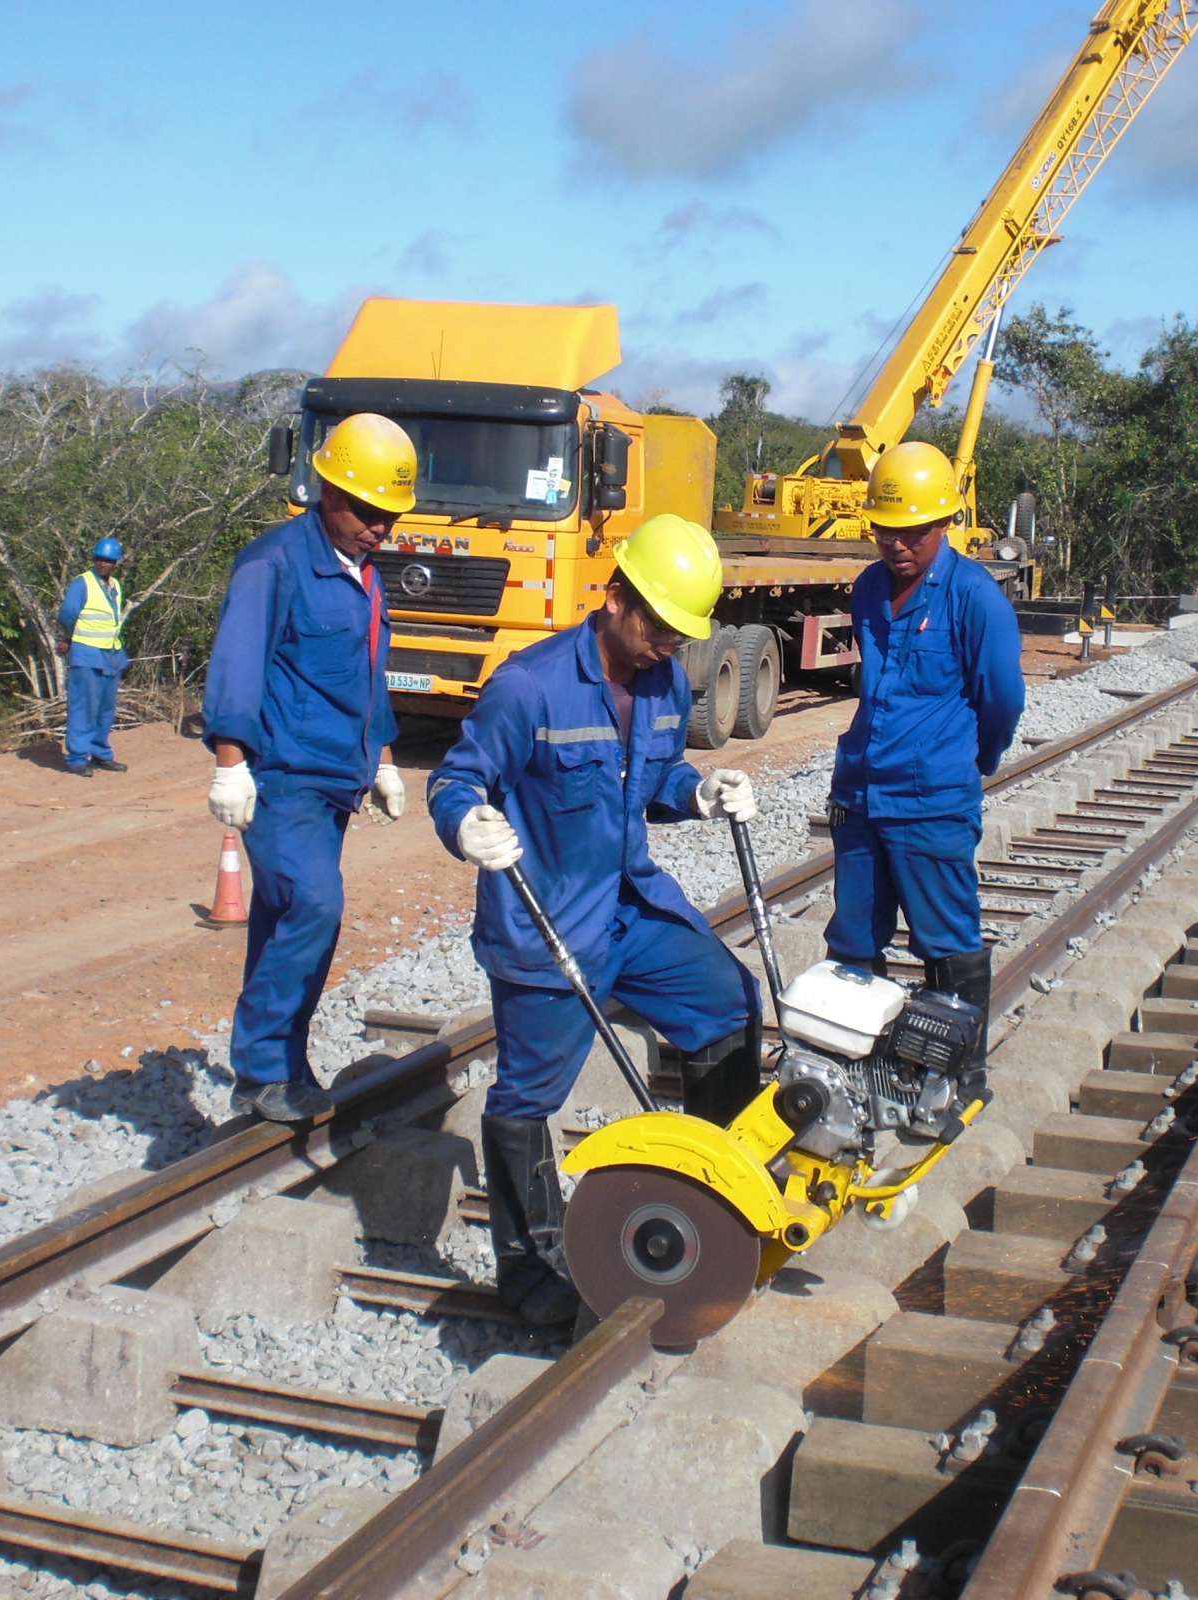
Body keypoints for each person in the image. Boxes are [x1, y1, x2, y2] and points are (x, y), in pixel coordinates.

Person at [428, 513, 763, 1326]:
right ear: (615, 597)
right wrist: (466, 824)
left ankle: (719, 1195)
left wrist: (698, 792)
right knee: (526, 1097)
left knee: (730, 998)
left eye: (681, 634)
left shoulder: (665, 684)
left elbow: (659, 775)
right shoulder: (528, 686)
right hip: (547, 923)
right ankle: (531, 1264)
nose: (666, 645)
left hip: (629, 909)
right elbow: (456, 780)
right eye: (658, 625)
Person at [202, 413, 416, 1126]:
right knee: (315, 906)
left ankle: (283, 1065)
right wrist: (231, 763)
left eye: (388, 515)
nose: (378, 526)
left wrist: (382, 758)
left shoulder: (365, 575)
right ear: (326, 489)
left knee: (284, 919)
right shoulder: (276, 563)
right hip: (282, 778)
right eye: (366, 510)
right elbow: (237, 662)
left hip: (336, 783)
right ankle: (261, 1069)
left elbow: (367, 675)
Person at [826, 441, 1025, 1055]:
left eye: (912, 532)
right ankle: (862, 1067)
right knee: (853, 939)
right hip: (860, 793)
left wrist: (968, 766)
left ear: (943, 522)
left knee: (945, 939)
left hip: (930, 800)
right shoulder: (866, 589)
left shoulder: (974, 597)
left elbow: (1002, 700)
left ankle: (958, 1074)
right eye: (885, 531)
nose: (897, 545)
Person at [57, 537, 130, 776]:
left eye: (108, 561)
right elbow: (68, 614)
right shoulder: (83, 583)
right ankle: (77, 758)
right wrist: (67, 639)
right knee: (83, 707)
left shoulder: (116, 586)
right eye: (99, 559)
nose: (103, 564)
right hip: (87, 654)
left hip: (110, 654)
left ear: (115, 563)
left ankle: (101, 753)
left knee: (105, 709)